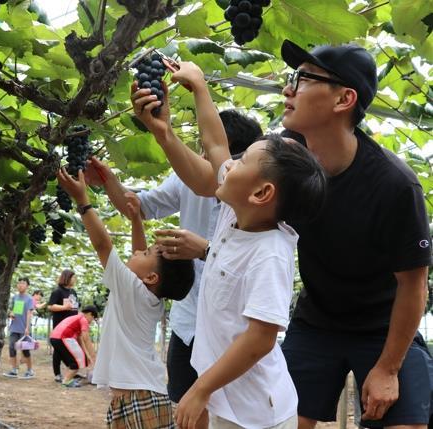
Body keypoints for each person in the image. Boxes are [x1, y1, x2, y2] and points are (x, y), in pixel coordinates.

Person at [130, 62, 326, 429]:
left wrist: (201, 389)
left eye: (243, 162)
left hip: (258, 416)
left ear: (262, 192)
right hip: (232, 402)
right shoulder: (235, 215)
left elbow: (261, 339)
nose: (228, 166)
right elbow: (216, 143)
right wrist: (197, 89)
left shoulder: (269, 252)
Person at [276, 40, 433, 429]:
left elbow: (414, 286)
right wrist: (165, 135)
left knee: (407, 425)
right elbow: (220, 176)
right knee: (278, 420)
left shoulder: (395, 185)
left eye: (304, 79)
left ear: (344, 99)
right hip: (316, 321)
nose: (287, 89)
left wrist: (388, 368)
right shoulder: (287, 159)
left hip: (384, 328)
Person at [84, 109, 262, 419]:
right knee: (184, 407)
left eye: (207, 144)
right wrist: (107, 180)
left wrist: (205, 250)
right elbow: (138, 207)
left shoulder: (258, 195)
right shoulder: (186, 177)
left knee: (227, 410)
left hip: (230, 325)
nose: (200, 151)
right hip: (188, 321)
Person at [56, 168, 195, 429]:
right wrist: (135, 221)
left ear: (152, 277)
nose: (139, 252)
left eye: (146, 254)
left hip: (138, 399)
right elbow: (140, 254)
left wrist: (83, 202)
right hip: (142, 395)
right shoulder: (147, 296)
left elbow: (103, 246)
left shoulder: (133, 289)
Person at [49, 305, 98, 388]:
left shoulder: (76, 318)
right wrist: (92, 355)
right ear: (90, 314)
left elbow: (80, 340)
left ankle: (68, 379)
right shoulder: (83, 319)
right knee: (77, 362)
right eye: (93, 318)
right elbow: (85, 338)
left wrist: (87, 355)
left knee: (74, 360)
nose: (91, 321)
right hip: (63, 338)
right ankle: (66, 381)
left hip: (54, 338)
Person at [47, 269, 79, 382]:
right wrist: (64, 308)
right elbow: (50, 306)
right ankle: (57, 374)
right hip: (60, 326)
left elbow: (75, 307)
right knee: (58, 349)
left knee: (68, 348)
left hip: (71, 326)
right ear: (67, 278)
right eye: (73, 277)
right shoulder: (58, 292)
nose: (74, 279)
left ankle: (71, 370)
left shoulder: (73, 292)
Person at [3, 277, 35, 379]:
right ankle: (14, 370)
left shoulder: (29, 299)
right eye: (19, 283)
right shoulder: (15, 297)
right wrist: (10, 313)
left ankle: (30, 371)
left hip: (24, 329)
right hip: (14, 327)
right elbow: (14, 311)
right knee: (12, 348)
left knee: (25, 350)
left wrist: (27, 328)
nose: (20, 285)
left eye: (23, 283)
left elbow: (29, 313)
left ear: (27, 286)